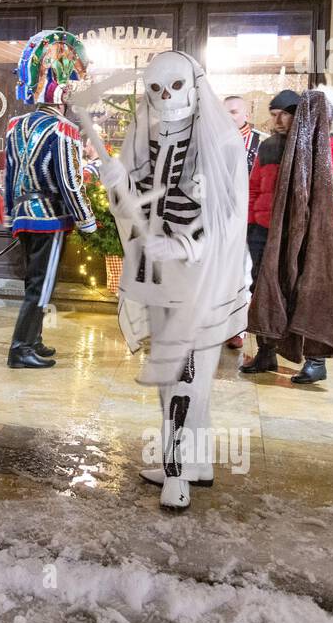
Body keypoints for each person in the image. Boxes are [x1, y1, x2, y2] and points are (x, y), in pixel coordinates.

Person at [100, 51, 250, 510]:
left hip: (201, 280)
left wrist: (185, 246)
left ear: (194, 84)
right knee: (182, 378)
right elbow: (135, 204)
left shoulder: (220, 145)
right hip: (160, 278)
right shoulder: (149, 141)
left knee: (183, 376)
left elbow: (227, 219)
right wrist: (118, 184)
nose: (166, 99)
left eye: (175, 88)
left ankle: (176, 475)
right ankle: (197, 461)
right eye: (157, 90)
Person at [244, 88, 333, 384]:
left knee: (308, 292)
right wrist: (251, 222)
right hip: (264, 233)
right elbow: (254, 187)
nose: (277, 120)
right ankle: (265, 352)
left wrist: (312, 198)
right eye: (273, 114)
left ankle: (316, 361)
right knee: (263, 290)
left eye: (284, 113)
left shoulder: (327, 144)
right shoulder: (268, 147)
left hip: (304, 234)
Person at [4, 29, 98, 369]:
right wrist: (87, 221)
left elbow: (9, 175)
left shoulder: (15, 125)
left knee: (35, 283)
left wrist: (8, 216)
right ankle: (21, 348)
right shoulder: (63, 130)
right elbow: (70, 182)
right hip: (50, 218)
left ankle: (35, 340)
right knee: (41, 288)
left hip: (23, 214)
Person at [221, 96, 268, 349]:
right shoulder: (214, 141)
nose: (229, 117)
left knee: (243, 275)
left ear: (246, 113)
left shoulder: (262, 143)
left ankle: (238, 329)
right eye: (225, 112)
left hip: (248, 219)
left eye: (234, 112)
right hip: (219, 219)